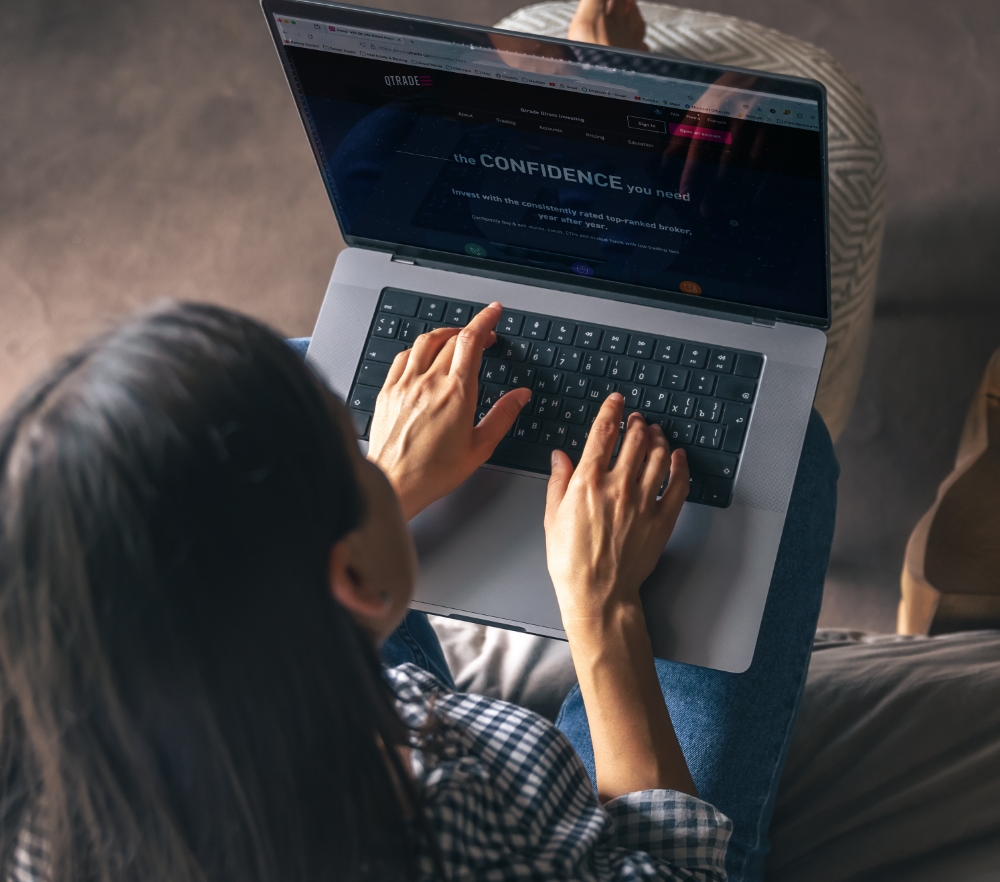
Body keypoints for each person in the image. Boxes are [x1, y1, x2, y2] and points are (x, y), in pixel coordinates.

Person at [0, 295, 839, 882]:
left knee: (297, 365)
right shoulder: (450, 815)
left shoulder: (39, 787)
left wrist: (372, 498)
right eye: (353, 451)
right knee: (784, 454)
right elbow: (667, 869)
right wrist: (604, 606)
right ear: (354, 586)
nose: (375, 448)